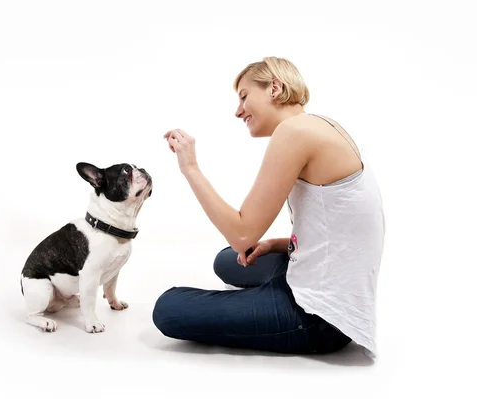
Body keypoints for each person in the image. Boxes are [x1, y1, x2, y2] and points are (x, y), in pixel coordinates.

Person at [153, 57, 385, 357]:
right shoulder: (320, 124)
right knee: (226, 261)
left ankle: (281, 306)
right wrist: (280, 244)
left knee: (168, 308)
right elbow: (344, 225)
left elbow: (241, 235)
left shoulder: (294, 133)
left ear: (274, 87)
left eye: (244, 96)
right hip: (336, 285)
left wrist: (190, 167)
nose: (238, 111)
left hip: (321, 318)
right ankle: (273, 288)